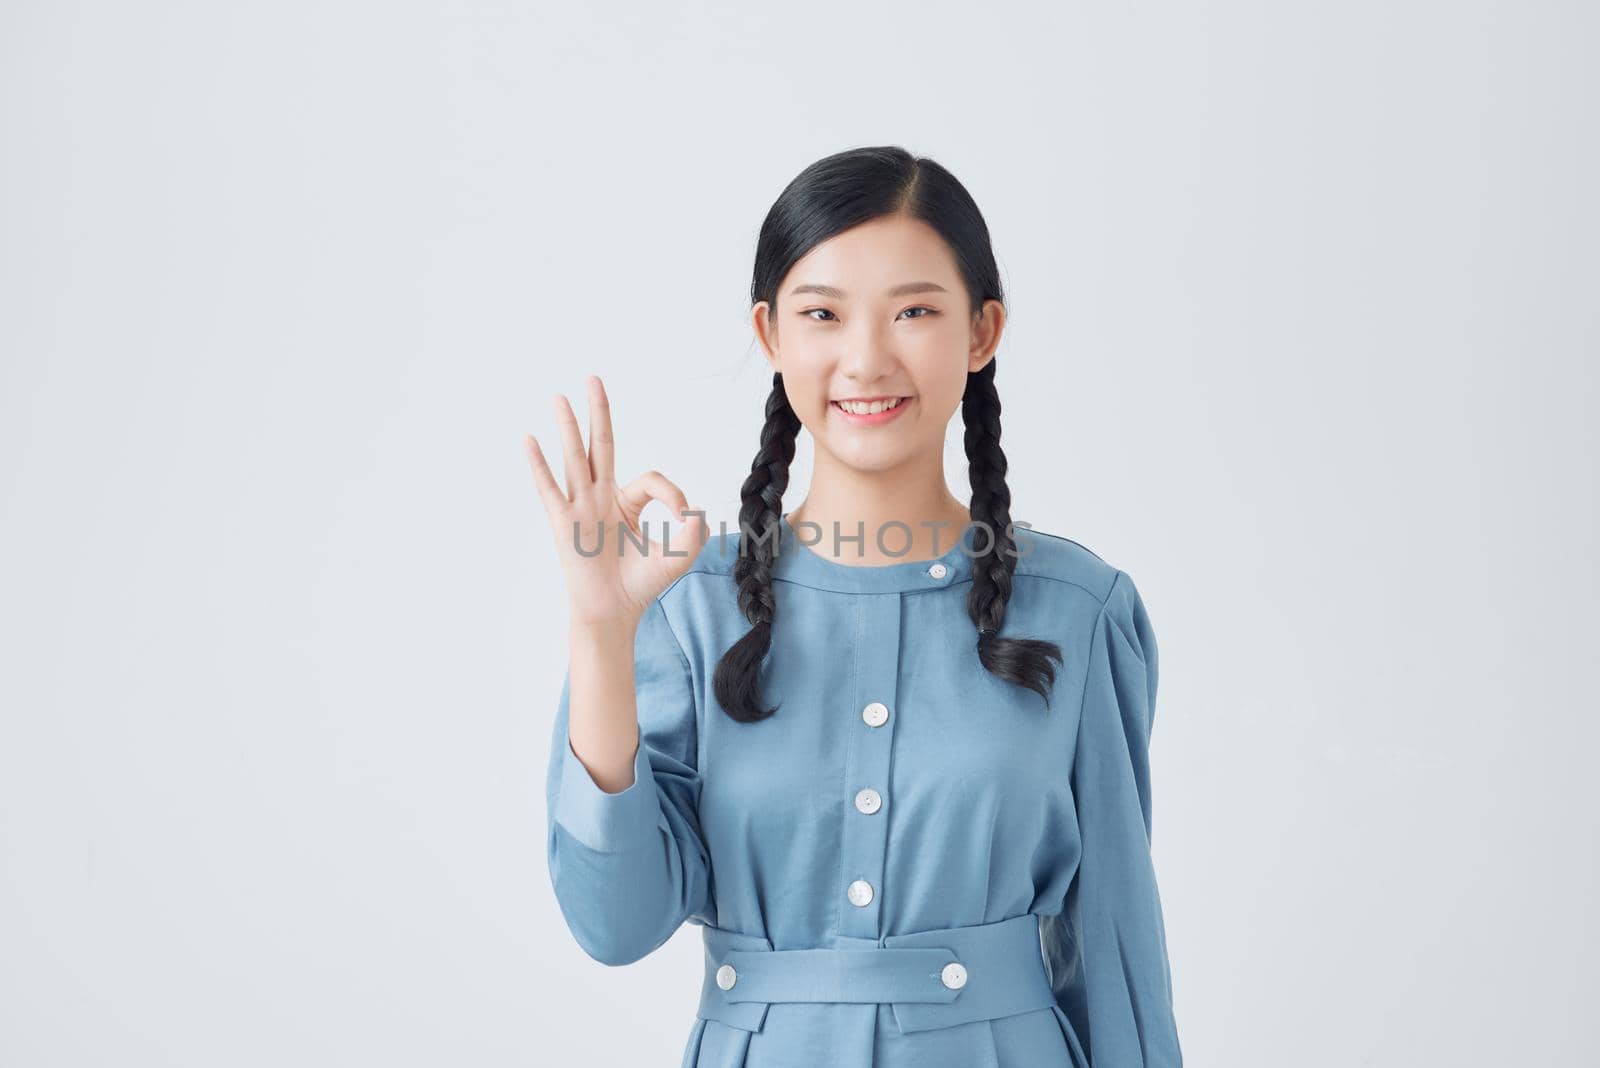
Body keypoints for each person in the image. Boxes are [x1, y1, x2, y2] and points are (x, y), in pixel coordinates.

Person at [524, 145, 1182, 1068]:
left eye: (915, 311)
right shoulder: (682, 609)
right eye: (822, 314)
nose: (866, 359)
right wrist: (600, 634)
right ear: (771, 335)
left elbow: (1114, 952)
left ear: (982, 332)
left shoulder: (1079, 610)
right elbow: (614, 924)